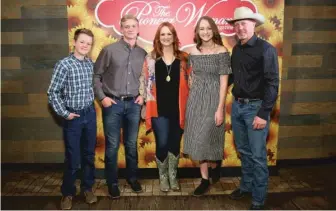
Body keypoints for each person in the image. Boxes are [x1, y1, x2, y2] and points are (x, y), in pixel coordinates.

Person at [226, 7, 279, 210]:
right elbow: (234, 77)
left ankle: (258, 198)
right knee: (244, 151)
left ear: (254, 25)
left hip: (256, 109)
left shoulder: (266, 49)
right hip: (238, 106)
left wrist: (263, 114)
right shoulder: (237, 49)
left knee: (257, 155)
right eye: (237, 24)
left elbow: (272, 83)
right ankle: (246, 187)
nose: (240, 28)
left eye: (244, 24)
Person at [93, 14, 147, 199]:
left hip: (133, 105)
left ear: (138, 29)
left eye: (133, 26)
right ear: (121, 28)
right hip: (112, 104)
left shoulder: (143, 54)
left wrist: (143, 96)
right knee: (112, 146)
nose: (130, 29)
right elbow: (96, 76)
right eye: (126, 26)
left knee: (131, 145)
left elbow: (147, 79)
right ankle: (112, 183)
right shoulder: (109, 50)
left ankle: (132, 179)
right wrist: (102, 98)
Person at [47, 28, 97, 210]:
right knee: (72, 157)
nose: (85, 45)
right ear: (74, 42)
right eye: (82, 42)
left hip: (89, 114)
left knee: (89, 155)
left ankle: (87, 188)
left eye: (89, 43)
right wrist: (65, 113)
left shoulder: (90, 64)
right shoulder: (64, 64)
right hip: (73, 117)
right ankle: (68, 193)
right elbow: (53, 92)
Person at [183, 16, 232, 196]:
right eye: (201, 29)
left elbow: (224, 82)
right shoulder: (192, 52)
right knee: (198, 138)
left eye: (208, 28)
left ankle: (215, 164)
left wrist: (220, 108)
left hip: (213, 98)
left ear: (214, 30)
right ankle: (204, 179)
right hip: (195, 99)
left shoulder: (222, 51)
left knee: (208, 137)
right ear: (197, 32)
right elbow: (187, 72)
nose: (205, 32)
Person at [140, 22, 190, 192]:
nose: (166, 37)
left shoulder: (184, 58)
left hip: (179, 110)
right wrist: (143, 100)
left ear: (174, 36)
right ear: (158, 38)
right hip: (158, 109)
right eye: (163, 34)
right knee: (162, 144)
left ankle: (173, 176)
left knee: (175, 144)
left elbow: (192, 83)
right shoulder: (150, 58)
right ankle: (163, 177)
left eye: (169, 34)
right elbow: (144, 82)